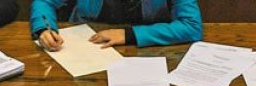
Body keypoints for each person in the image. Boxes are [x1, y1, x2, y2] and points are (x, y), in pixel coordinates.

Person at [30, 0, 202, 51]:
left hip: (149, 51)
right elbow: (45, 2)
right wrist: (45, 28)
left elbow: (192, 26)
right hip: (86, 48)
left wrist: (128, 34)